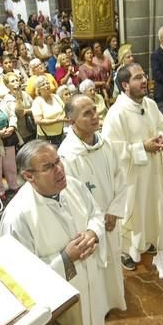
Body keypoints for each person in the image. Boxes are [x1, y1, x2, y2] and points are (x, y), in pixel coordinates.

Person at [0, 140, 107, 325]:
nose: (59, 169)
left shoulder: (74, 186)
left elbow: (95, 213)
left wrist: (93, 233)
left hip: (91, 284)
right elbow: (20, 279)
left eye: (58, 161)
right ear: (29, 176)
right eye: (48, 167)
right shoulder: (17, 217)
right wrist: (66, 258)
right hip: (61, 307)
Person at [59, 94, 127, 311]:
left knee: (113, 261)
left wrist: (115, 211)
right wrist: (95, 223)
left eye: (94, 110)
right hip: (89, 225)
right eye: (86, 113)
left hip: (111, 218)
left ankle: (114, 301)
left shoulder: (105, 144)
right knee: (95, 268)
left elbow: (120, 176)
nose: (95, 116)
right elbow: (70, 197)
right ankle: (99, 310)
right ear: (72, 122)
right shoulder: (67, 155)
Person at [102, 63, 163, 269]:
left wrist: (159, 139)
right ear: (125, 85)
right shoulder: (116, 113)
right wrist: (142, 148)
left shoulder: (149, 104)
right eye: (138, 78)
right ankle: (126, 251)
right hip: (130, 176)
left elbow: (161, 125)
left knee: (149, 206)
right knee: (132, 209)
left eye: (144, 76)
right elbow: (111, 149)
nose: (144, 81)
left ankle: (146, 240)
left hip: (151, 169)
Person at [31, 75, 66, 146]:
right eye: (43, 84)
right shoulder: (37, 102)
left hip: (60, 133)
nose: (46, 85)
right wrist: (56, 120)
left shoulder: (55, 97)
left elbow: (64, 109)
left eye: (47, 83)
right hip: (46, 138)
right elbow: (38, 121)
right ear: (38, 89)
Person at [4, 72, 33, 143]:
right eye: (13, 81)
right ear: (7, 85)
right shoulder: (8, 99)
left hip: (32, 127)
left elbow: (35, 107)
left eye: (17, 80)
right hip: (22, 134)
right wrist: (17, 96)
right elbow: (20, 113)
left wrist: (27, 111)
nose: (16, 83)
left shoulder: (25, 94)